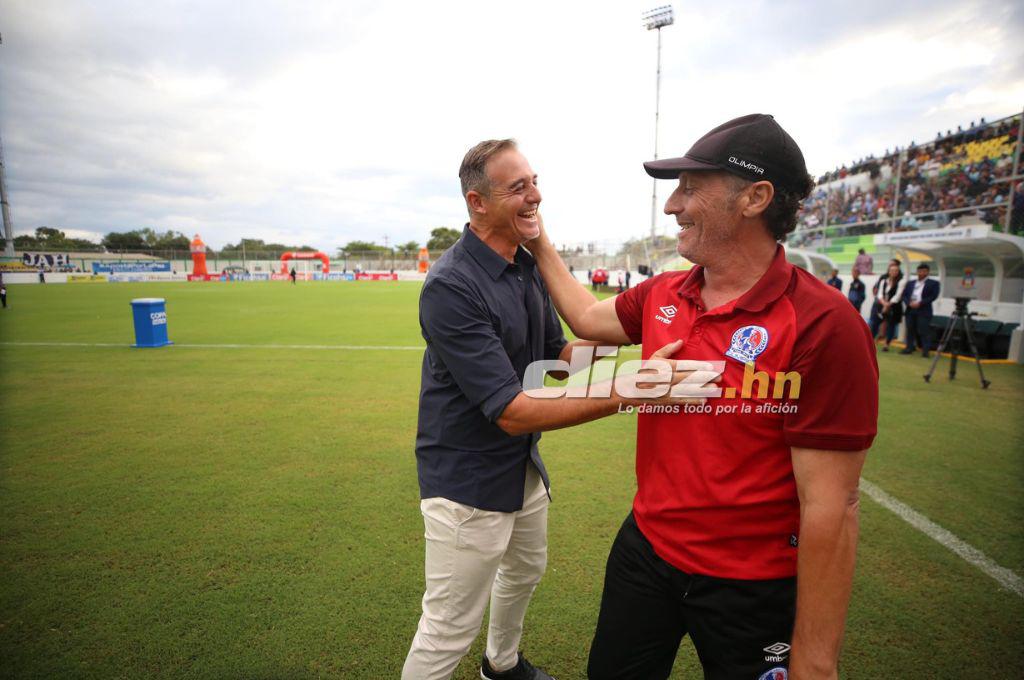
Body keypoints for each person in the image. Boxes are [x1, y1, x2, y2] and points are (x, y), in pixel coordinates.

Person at [529, 113, 878, 679]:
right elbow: (588, 318)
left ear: (755, 197)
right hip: (646, 551)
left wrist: (815, 659)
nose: (672, 205)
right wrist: (538, 238)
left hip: (754, 583)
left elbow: (833, 505)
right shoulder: (664, 291)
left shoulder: (824, 324)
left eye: (692, 188)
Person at [404, 139, 700, 680]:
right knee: (448, 624)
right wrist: (629, 388)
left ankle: (503, 663)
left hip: (520, 468)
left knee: (523, 572)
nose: (535, 195)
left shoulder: (524, 267)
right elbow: (512, 410)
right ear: (477, 202)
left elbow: (555, 360)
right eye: (518, 187)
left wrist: (630, 334)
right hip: (466, 480)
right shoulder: (450, 286)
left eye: (534, 181)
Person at [900, 263, 940, 357]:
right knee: (910, 329)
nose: (921, 273)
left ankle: (925, 350)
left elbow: (933, 296)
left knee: (923, 330)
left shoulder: (933, 283)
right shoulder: (911, 283)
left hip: (923, 310)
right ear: (917, 271)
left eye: (924, 271)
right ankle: (909, 347)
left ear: (927, 272)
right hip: (910, 309)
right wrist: (908, 303)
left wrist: (920, 303)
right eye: (920, 271)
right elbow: (904, 295)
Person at [869, 261, 905, 351]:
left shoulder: (901, 282)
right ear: (889, 271)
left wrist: (888, 305)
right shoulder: (884, 281)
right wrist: (884, 303)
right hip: (882, 304)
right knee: (875, 323)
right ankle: (870, 342)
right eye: (892, 270)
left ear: (898, 272)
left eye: (896, 270)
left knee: (891, 325)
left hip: (894, 307)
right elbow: (880, 293)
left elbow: (898, 295)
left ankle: (886, 344)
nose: (893, 272)